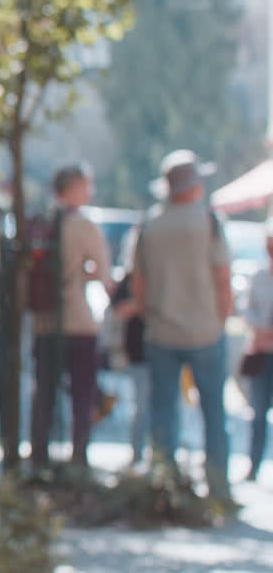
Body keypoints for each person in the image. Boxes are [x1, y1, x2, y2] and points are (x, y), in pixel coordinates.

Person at [133, 149, 232, 499]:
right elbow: (223, 277)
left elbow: (138, 283)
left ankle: (165, 484)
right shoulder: (208, 221)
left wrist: (150, 317)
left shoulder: (151, 224)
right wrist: (222, 318)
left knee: (163, 412)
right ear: (193, 184)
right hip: (205, 329)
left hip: (162, 330)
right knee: (214, 412)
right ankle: (218, 487)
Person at [30, 163, 111, 469]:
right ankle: (79, 459)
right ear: (74, 187)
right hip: (77, 321)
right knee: (82, 396)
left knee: (44, 394)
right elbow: (104, 274)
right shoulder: (83, 224)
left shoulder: (39, 221)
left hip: (44, 322)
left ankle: (39, 457)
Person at [106, 228, 150, 466]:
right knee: (141, 406)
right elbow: (118, 310)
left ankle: (160, 457)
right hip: (137, 351)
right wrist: (142, 303)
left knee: (162, 406)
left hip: (162, 345)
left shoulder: (160, 276)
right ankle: (138, 455)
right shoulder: (128, 279)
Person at [241, 218, 273, 481]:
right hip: (261, 352)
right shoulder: (259, 276)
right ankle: (253, 464)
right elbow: (246, 310)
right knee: (258, 412)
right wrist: (260, 329)